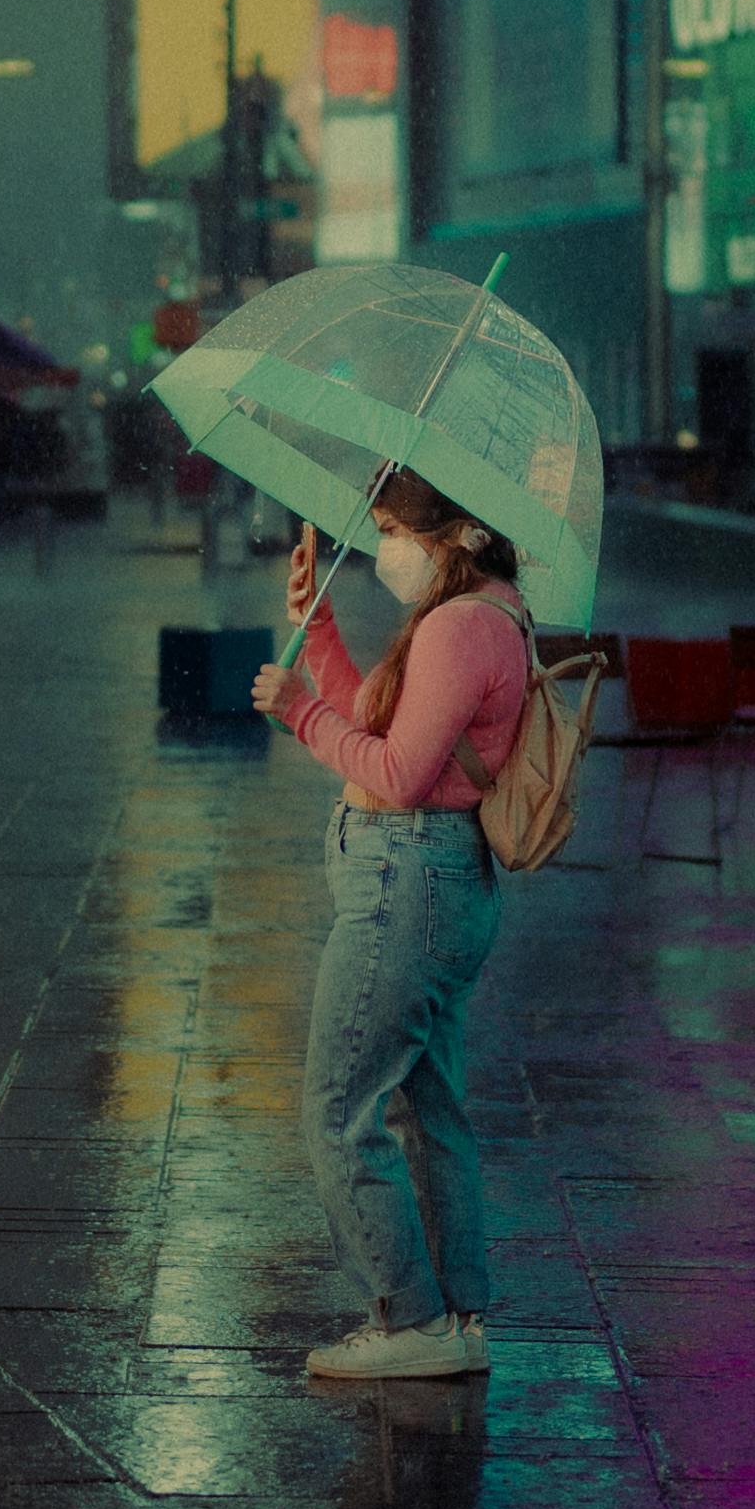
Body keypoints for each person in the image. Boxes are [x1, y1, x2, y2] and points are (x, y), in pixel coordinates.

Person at [252, 470, 536, 1387]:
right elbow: (378, 711)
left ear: (444, 531)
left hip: (404, 879)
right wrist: (319, 628)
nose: (384, 548)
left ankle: (409, 1316)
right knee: (432, 1109)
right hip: (436, 883)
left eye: (389, 529)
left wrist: (298, 713)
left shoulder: (458, 627)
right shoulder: (488, 610)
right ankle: (457, 1313)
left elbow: (401, 768)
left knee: (338, 1111)